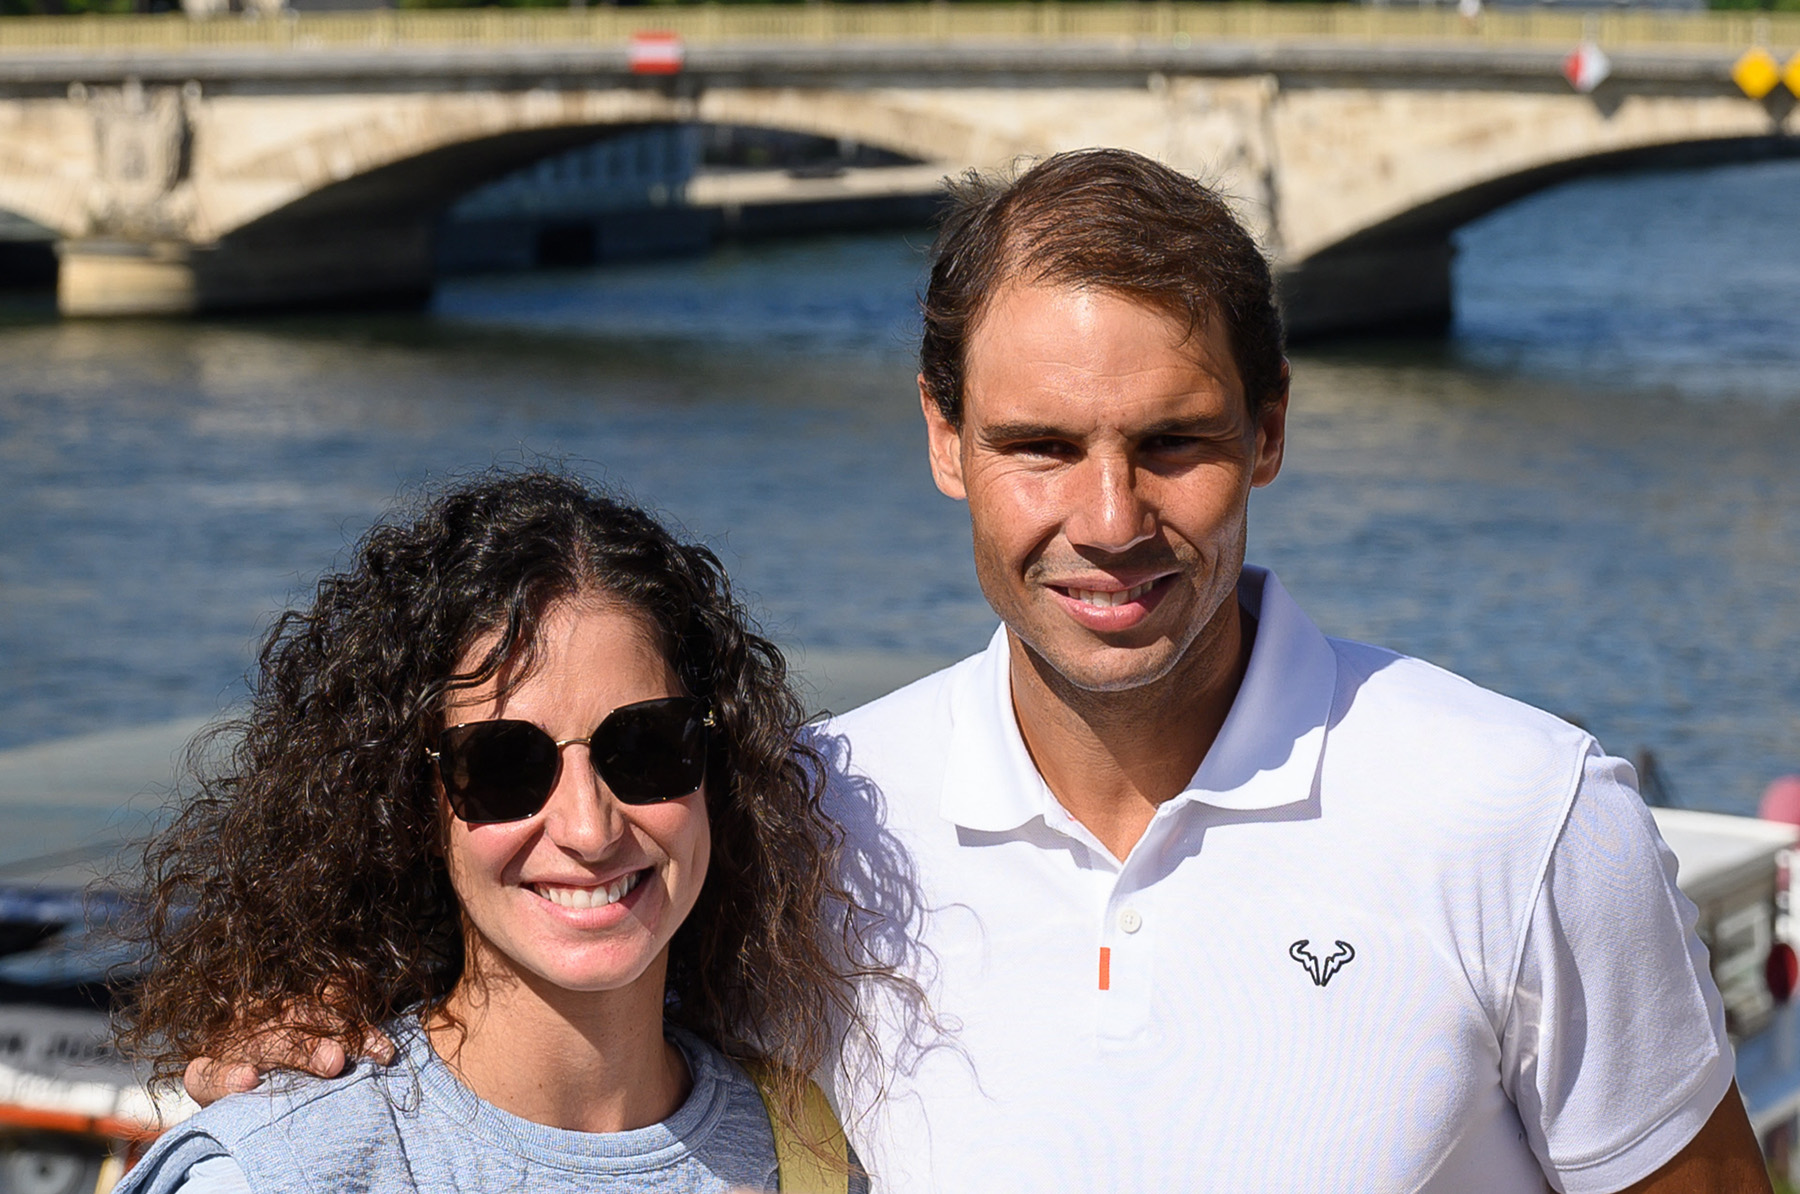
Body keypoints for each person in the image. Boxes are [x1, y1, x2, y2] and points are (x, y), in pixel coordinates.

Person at [184, 151, 1771, 1193]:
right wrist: (315, 1031)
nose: (1109, 520)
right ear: (943, 438)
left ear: (1273, 429)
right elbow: (555, 954)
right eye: (1039, 446)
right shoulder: (810, 822)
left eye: (1175, 444)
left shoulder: (1521, 810)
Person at [118, 473, 878, 1193]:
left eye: (645, 748)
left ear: (717, 764)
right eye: (506, 764)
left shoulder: (804, 1148)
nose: (588, 826)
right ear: (413, 804)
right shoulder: (291, 1170)